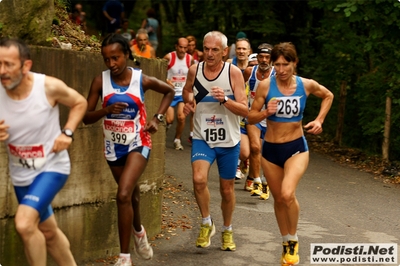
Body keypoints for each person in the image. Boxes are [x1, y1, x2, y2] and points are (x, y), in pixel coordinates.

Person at [82, 34, 175, 266]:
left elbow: (170, 91)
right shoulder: (99, 82)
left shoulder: (140, 80)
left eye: (115, 58)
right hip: (113, 146)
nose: (111, 64)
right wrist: (107, 110)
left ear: (126, 55)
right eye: (106, 59)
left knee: (123, 194)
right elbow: (86, 117)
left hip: (138, 142)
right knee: (131, 195)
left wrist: (157, 117)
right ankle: (139, 232)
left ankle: (124, 258)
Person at [0, 37, 87, 266]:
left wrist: (67, 133)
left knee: (24, 224)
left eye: (8, 64)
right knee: (47, 232)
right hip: (21, 175)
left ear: (25, 65)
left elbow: (80, 102)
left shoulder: (48, 87)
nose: (2, 71)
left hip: (52, 167)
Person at [248, 42, 334, 265]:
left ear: (295, 63)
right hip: (270, 151)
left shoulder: (305, 85)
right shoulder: (266, 86)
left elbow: (328, 95)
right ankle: (286, 241)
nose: (281, 69)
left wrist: (319, 120)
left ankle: (294, 239)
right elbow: (250, 117)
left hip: (296, 147)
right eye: (277, 65)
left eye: (285, 64)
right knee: (278, 199)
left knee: (287, 194)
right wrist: (266, 112)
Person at [182, 31, 248, 251]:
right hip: (203, 137)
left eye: (215, 50)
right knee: (198, 179)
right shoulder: (195, 70)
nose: (209, 54)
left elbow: (245, 109)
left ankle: (227, 230)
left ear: (224, 51)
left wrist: (225, 100)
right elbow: (186, 90)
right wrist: (188, 102)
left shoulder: (234, 73)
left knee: (227, 190)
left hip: (228, 141)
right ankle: (206, 222)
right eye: (206, 49)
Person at [243, 43, 275, 200]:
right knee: (255, 148)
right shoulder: (250, 71)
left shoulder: (277, 74)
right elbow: (240, 89)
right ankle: (256, 182)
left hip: (271, 119)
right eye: (261, 56)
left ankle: (265, 182)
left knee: (267, 153)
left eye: (267, 57)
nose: (263, 60)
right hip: (254, 116)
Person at [163, 37, 193, 150]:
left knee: (181, 118)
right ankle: (164, 130)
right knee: (169, 119)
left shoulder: (190, 59)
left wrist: (191, 92)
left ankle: (177, 139)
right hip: (170, 92)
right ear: (176, 46)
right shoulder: (169, 57)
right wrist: (167, 81)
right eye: (181, 47)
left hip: (182, 94)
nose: (183, 50)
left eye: (185, 47)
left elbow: (192, 76)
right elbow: (159, 71)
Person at [185, 35, 204, 143]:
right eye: (189, 45)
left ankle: (192, 133)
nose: (191, 47)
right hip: (185, 83)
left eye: (193, 45)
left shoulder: (200, 54)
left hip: (195, 83)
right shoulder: (184, 55)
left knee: (194, 108)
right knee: (186, 109)